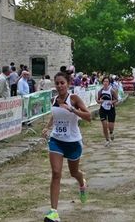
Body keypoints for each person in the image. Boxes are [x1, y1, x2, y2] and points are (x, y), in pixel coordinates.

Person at [41, 71, 91, 222]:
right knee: (56, 173)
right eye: (57, 83)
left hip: (73, 142)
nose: (59, 86)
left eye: (62, 83)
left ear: (68, 83)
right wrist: (47, 127)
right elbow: (55, 115)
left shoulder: (74, 98)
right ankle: (54, 212)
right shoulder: (54, 99)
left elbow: (88, 116)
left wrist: (73, 110)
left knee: (74, 172)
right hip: (56, 140)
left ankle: (82, 182)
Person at [96, 76, 118, 147]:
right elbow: (98, 101)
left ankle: (111, 132)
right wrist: (100, 101)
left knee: (110, 126)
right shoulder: (100, 91)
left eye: (107, 81)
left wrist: (112, 102)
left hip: (111, 109)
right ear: (102, 82)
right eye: (104, 81)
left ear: (109, 83)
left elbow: (116, 99)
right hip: (102, 109)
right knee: (104, 125)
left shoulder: (112, 90)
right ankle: (107, 140)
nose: (105, 83)